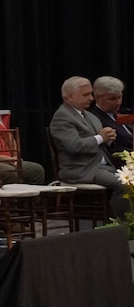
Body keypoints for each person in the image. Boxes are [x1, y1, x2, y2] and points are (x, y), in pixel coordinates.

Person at [50, 76, 127, 215]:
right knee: (123, 185)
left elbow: (102, 141)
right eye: (86, 95)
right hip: (81, 169)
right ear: (70, 96)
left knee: (131, 180)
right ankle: (120, 224)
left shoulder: (90, 116)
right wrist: (100, 137)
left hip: (102, 166)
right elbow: (73, 146)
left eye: (91, 93)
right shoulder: (62, 117)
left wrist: (109, 137)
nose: (91, 98)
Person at [89, 77, 132, 155]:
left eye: (120, 97)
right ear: (97, 97)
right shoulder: (94, 119)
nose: (118, 102)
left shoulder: (122, 112)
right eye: (112, 99)